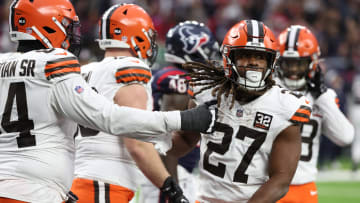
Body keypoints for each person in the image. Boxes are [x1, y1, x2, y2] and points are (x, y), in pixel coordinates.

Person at [0, 1, 213, 202]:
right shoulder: (60, 65)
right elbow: (119, 125)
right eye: (66, 25)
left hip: (58, 181)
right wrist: (183, 120)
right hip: (80, 185)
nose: (71, 33)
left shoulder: (80, 70)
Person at [166, 19, 312, 203]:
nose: (253, 63)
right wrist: (153, 139)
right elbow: (185, 140)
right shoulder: (206, 91)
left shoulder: (285, 106)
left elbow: (281, 179)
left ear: (270, 61)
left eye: (259, 57)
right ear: (229, 58)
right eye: (245, 55)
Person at [71, 4, 189, 203]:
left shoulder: (84, 71)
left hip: (78, 181)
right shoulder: (129, 68)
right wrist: (170, 187)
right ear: (138, 35)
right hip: (104, 185)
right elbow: (136, 143)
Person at [275, 25, 354, 203]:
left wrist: (322, 96)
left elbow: (346, 136)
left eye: (299, 63)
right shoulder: (270, 92)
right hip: (266, 183)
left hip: (304, 186)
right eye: (289, 63)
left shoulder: (323, 97)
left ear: (313, 62)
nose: (294, 70)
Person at [146, 21, 220, 203]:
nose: (212, 57)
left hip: (177, 166)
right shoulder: (175, 79)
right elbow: (171, 131)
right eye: (208, 51)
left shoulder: (166, 74)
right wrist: (172, 187)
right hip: (170, 168)